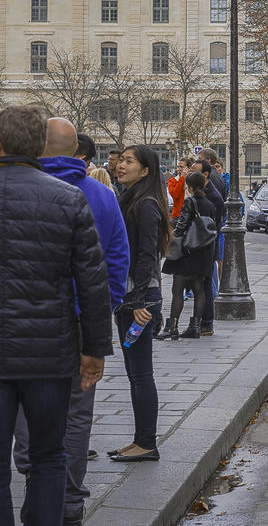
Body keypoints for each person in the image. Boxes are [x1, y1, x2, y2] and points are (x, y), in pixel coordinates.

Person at [0, 105, 113, 525]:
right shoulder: (68, 197)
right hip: (48, 351)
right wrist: (94, 349)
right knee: (47, 456)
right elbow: (93, 280)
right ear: (41, 146)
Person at [12, 118, 129, 525]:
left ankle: (36, 482)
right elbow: (117, 261)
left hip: (31, 322)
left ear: (40, 148)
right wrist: (104, 312)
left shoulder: (23, 190)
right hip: (83, 323)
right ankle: (70, 501)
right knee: (77, 414)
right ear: (77, 151)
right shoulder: (101, 194)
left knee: (29, 407)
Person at [110, 145, 172, 462]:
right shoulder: (130, 199)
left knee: (141, 373)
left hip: (140, 299)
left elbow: (148, 255)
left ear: (145, 170)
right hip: (131, 297)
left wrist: (138, 301)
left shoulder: (145, 205)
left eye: (129, 161)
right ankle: (139, 440)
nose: (121, 165)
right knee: (135, 373)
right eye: (121, 160)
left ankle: (147, 442)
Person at [158, 171, 217, 339]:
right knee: (199, 290)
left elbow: (183, 224)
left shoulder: (190, 201)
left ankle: (172, 326)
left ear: (189, 186)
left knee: (177, 288)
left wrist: (171, 235)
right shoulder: (209, 204)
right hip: (203, 251)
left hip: (188, 251)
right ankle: (195, 326)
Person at [191, 158, 225, 336]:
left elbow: (212, 224)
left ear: (205, 174)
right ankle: (199, 321)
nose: (190, 172)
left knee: (204, 285)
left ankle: (205, 322)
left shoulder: (211, 197)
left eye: (194, 171)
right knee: (200, 284)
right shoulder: (203, 191)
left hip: (204, 245)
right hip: (202, 244)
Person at [168, 157, 194, 221]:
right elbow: (175, 195)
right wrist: (182, 178)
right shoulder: (172, 180)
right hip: (178, 214)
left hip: (191, 213)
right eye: (178, 167)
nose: (178, 169)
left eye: (181, 167)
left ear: (189, 168)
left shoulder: (193, 179)